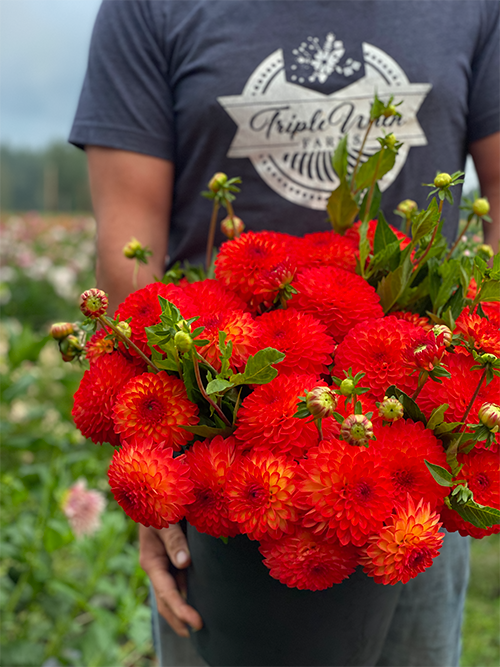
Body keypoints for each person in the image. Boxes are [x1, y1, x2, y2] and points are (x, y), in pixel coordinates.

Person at [70, 0, 500, 665]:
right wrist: (152, 479)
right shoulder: (150, 7)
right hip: (215, 445)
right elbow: (131, 245)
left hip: (418, 444)